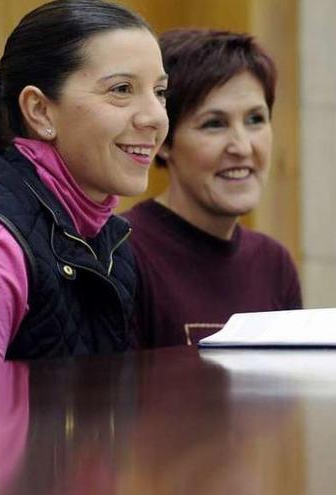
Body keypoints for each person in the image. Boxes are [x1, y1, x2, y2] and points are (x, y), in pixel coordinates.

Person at [0, 0, 169, 360]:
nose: (155, 117)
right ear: (40, 110)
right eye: (122, 89)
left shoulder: (112, 239)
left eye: (160, 92)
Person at [124, 29, 302, 348]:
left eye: (255, 120)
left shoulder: (274, 264)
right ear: (163, 141)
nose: (242, 147)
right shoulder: (124, 254)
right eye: (214, 124)